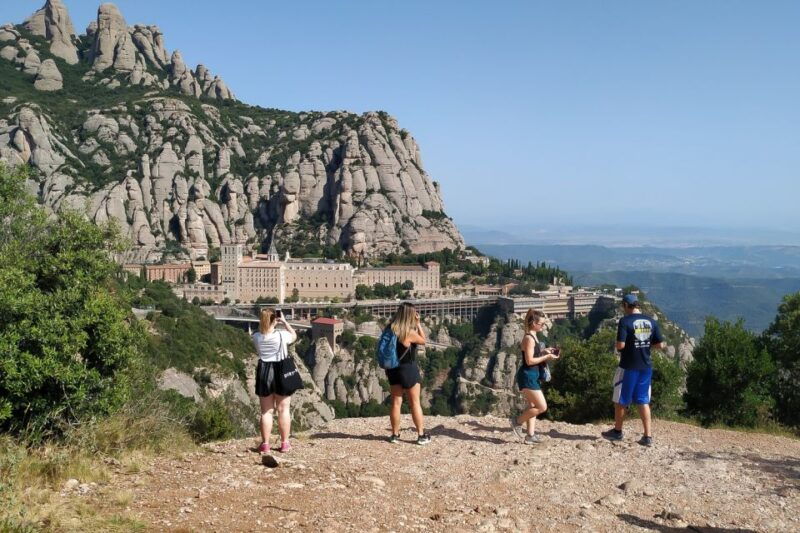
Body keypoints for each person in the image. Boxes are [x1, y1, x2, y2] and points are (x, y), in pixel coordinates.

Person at [602, 293, 666, 447]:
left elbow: (620, 346)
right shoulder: (651, 321)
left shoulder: (625, 321)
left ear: (625, 305)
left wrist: (629, 343)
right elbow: (661, 345)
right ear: (638, 305)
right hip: (646, 366)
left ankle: (617, 432)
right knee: (643, 400)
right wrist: (644, 345)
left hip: (628, 366)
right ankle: (647, 436)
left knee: (621, 400)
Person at [509, 309, 559, 444]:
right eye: (541, 324)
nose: (542, 326)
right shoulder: (529, 338)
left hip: (532, 375)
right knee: (542, 407)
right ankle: (516, 422)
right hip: (528, 376)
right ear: (533, 323)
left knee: (532, 406)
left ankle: (530, 435)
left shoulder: (533, 336)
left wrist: (544, 351)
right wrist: (547, 356)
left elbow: (533, 354)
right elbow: (530, 361)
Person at [252, 308, 298, 453]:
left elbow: (259, 352)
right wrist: (284, 322)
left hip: (264, 372)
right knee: (283, 409)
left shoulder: (256, 337)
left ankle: (265, 444)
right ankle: (284, 443)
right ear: (274, 320)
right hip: (281, 371)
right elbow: (294, 336)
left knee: (266, 411)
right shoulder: (282, 335)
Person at [385, 302, 431, 445]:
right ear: (410, 315)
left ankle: (394, 435)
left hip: (392, 369)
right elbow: (423, 341)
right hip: (408, 369)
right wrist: (418, 324)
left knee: (396, 403)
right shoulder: (408, 333)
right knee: (415, 403)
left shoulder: (389, 329)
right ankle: (421, 435)